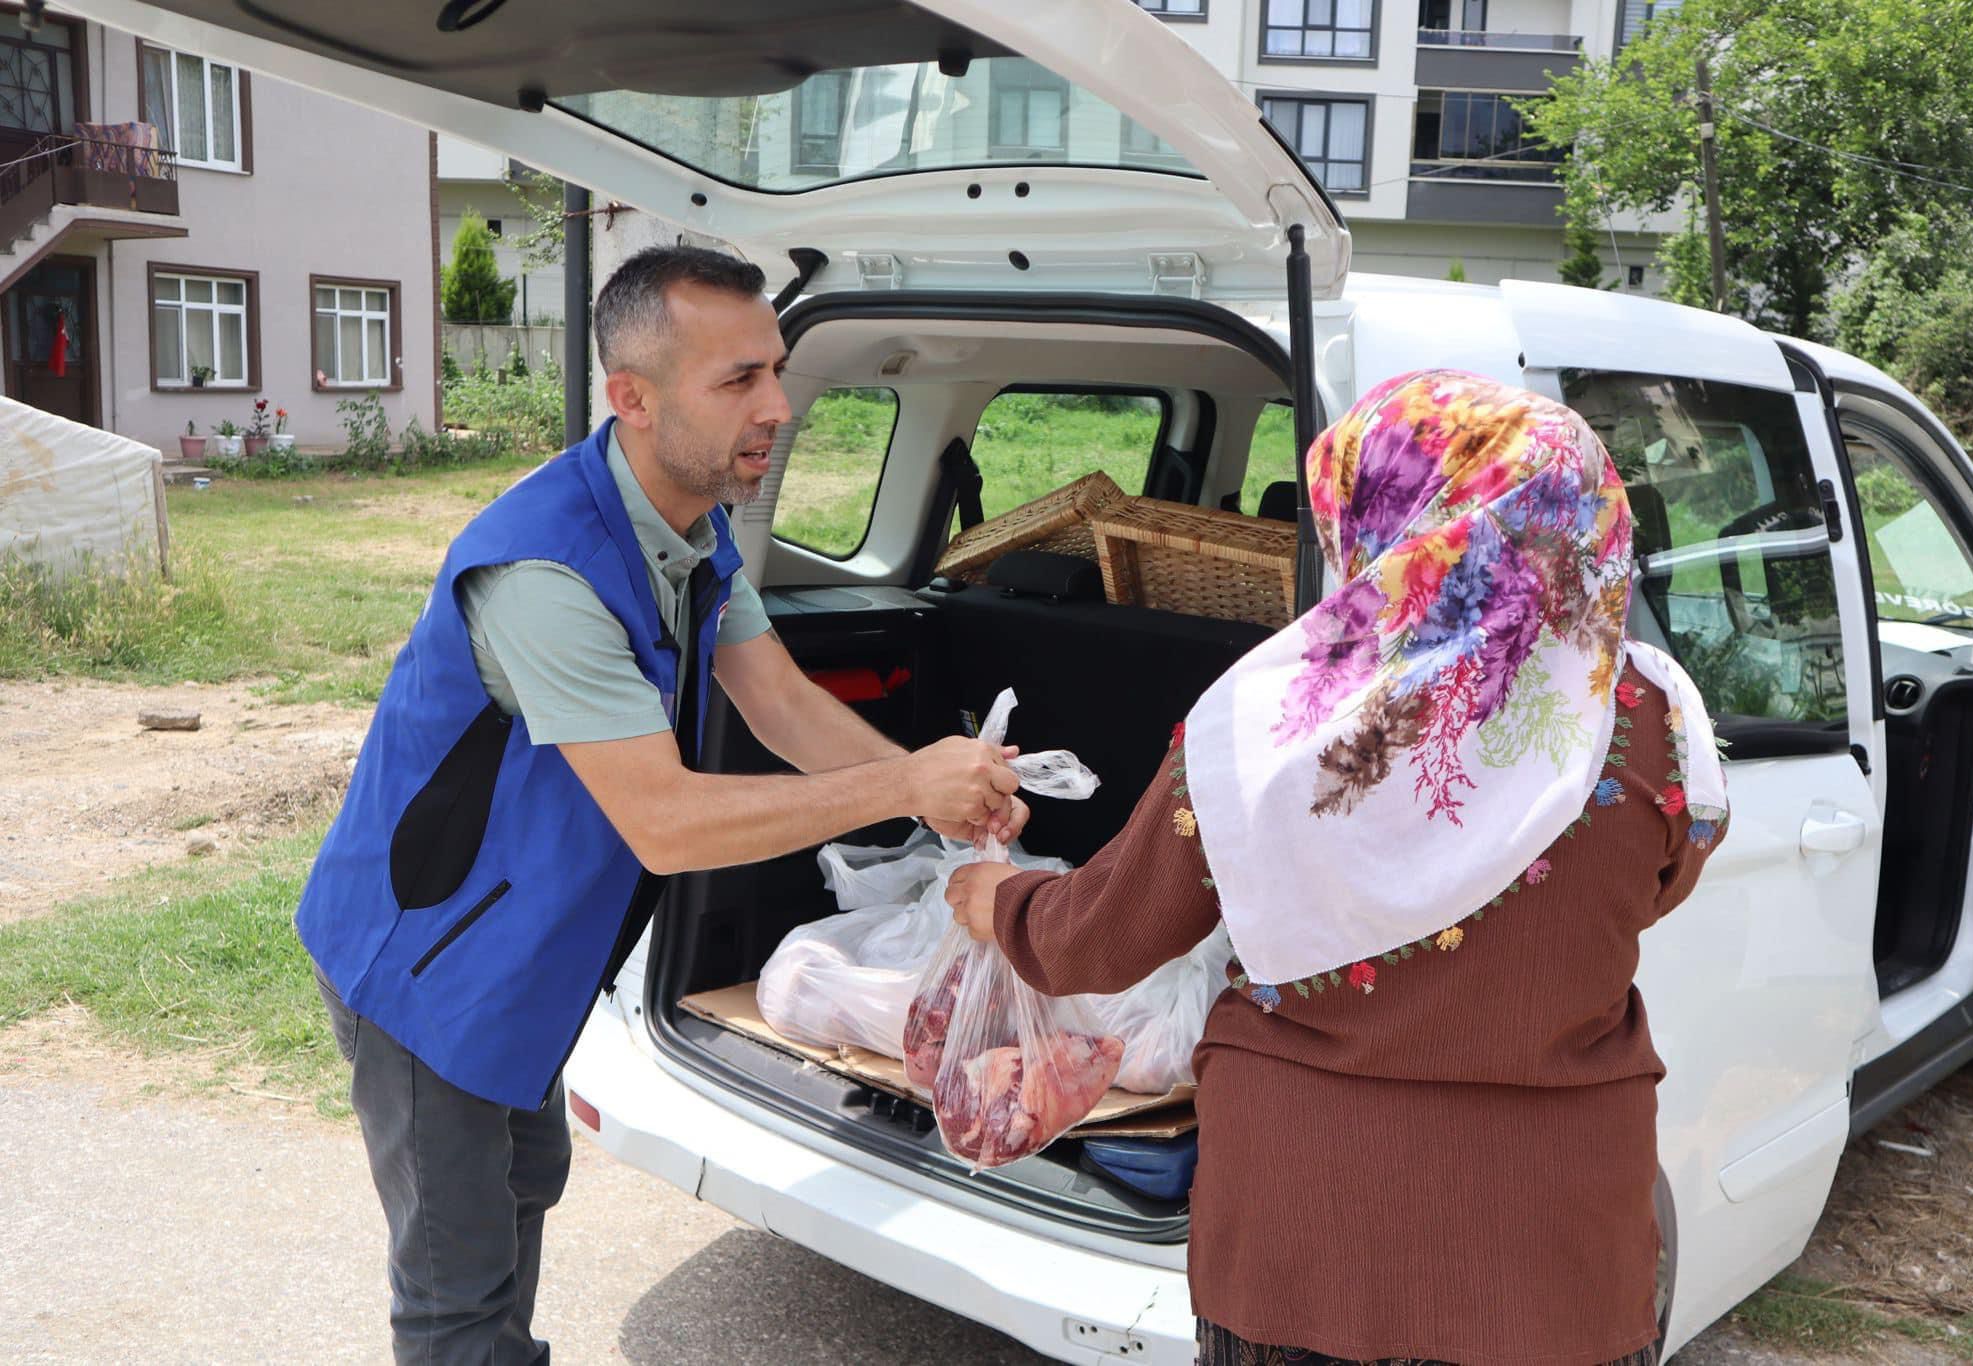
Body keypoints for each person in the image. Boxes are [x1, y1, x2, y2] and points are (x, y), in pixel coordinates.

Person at [300, 244, 1025, 1364]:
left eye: (775, 370)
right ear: (630, 397)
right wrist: (899, 782)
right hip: (428, 962)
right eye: (737, 381)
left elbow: (776, 696)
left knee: (524, 1176)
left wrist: (945, 806)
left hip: (528, 945)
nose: (778, 406)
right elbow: (666, 821)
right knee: (457, 1301)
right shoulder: (542, 571)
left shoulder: (693, 526)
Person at [947, 370, 1730, 1366]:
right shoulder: (1652, 722)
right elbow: (1658, 890)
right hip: (1551, 1250)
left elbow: (1098, 941)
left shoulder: (1269, 722)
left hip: (1303, 1238)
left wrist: (1002, 901)